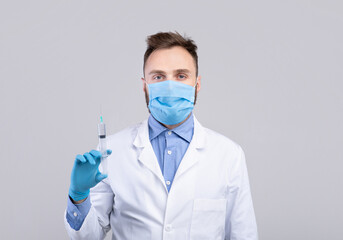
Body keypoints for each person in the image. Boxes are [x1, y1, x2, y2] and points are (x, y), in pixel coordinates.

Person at [64, 31, 259, 240]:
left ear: (197, 84)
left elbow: (243, 234)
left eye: (181, 76)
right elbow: (87, 237)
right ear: (144, 85)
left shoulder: (228, 155)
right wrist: (79, 197)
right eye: (158, 77)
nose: (170, 86)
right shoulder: (112, 150)